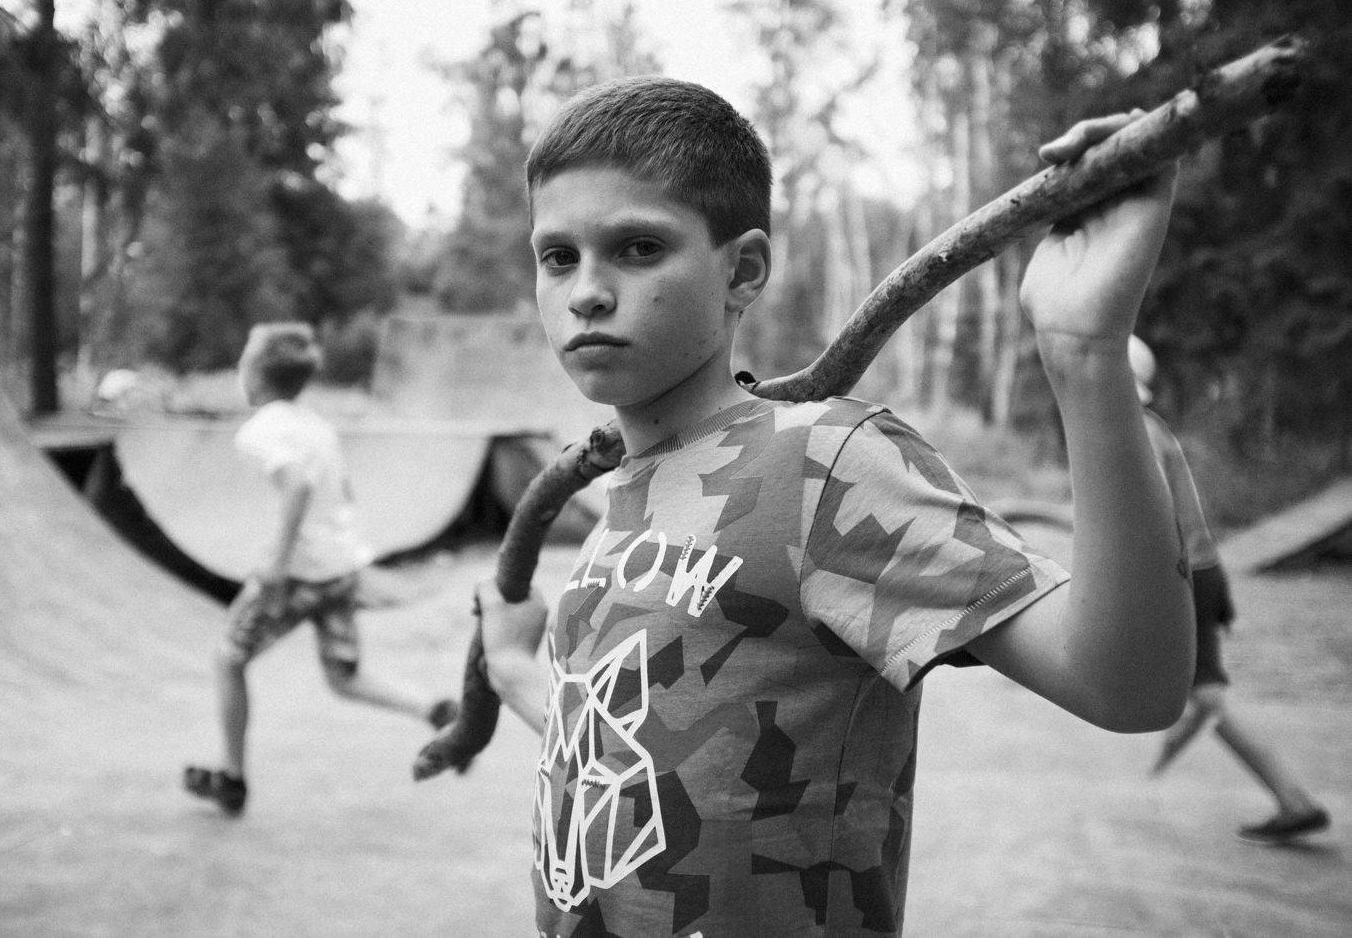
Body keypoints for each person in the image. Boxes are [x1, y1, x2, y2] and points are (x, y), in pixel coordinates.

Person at [476, 75, 1197, 937]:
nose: (586, 291)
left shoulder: (824, 464)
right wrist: (517, 669)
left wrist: (1084, 353)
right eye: (558, 257)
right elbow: (629, 756)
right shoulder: (625, 492)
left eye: (637, 248)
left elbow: (1128, 684)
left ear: (743, 270)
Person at [184, 322, 455, 815]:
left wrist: (276, 561)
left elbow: (298, 485)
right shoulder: (317, 426)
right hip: (340, 570)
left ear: (255, 374)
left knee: (228, 658)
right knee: (344, 676)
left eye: (243, 361)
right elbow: (342, 492)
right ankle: (433, 709)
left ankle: (232, 777)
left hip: (297, 576)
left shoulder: (259, 430)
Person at [1132, 336, 1330, 845]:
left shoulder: (1139, 433)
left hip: (1190, 574)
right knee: (1206, 697)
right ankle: (1292, 800)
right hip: (1200, 570)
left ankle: (1295, 801)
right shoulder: (1148, 427)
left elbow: (1154, 519)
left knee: (1208, 698)